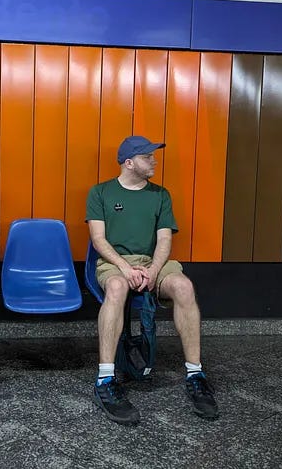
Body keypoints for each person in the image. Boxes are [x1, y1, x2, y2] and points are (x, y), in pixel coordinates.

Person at [86, 135, 219, 425]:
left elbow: (164, 240)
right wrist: (124, 267)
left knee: (184, 286)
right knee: (118, 287)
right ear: (129, 162)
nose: (154, 161)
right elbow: (98, 239)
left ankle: (195, 374)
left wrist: (155, 270)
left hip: (152, 264)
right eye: (148, 157)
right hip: (114, 262)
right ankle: (105, 380)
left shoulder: (161, 195)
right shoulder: (100, 193)